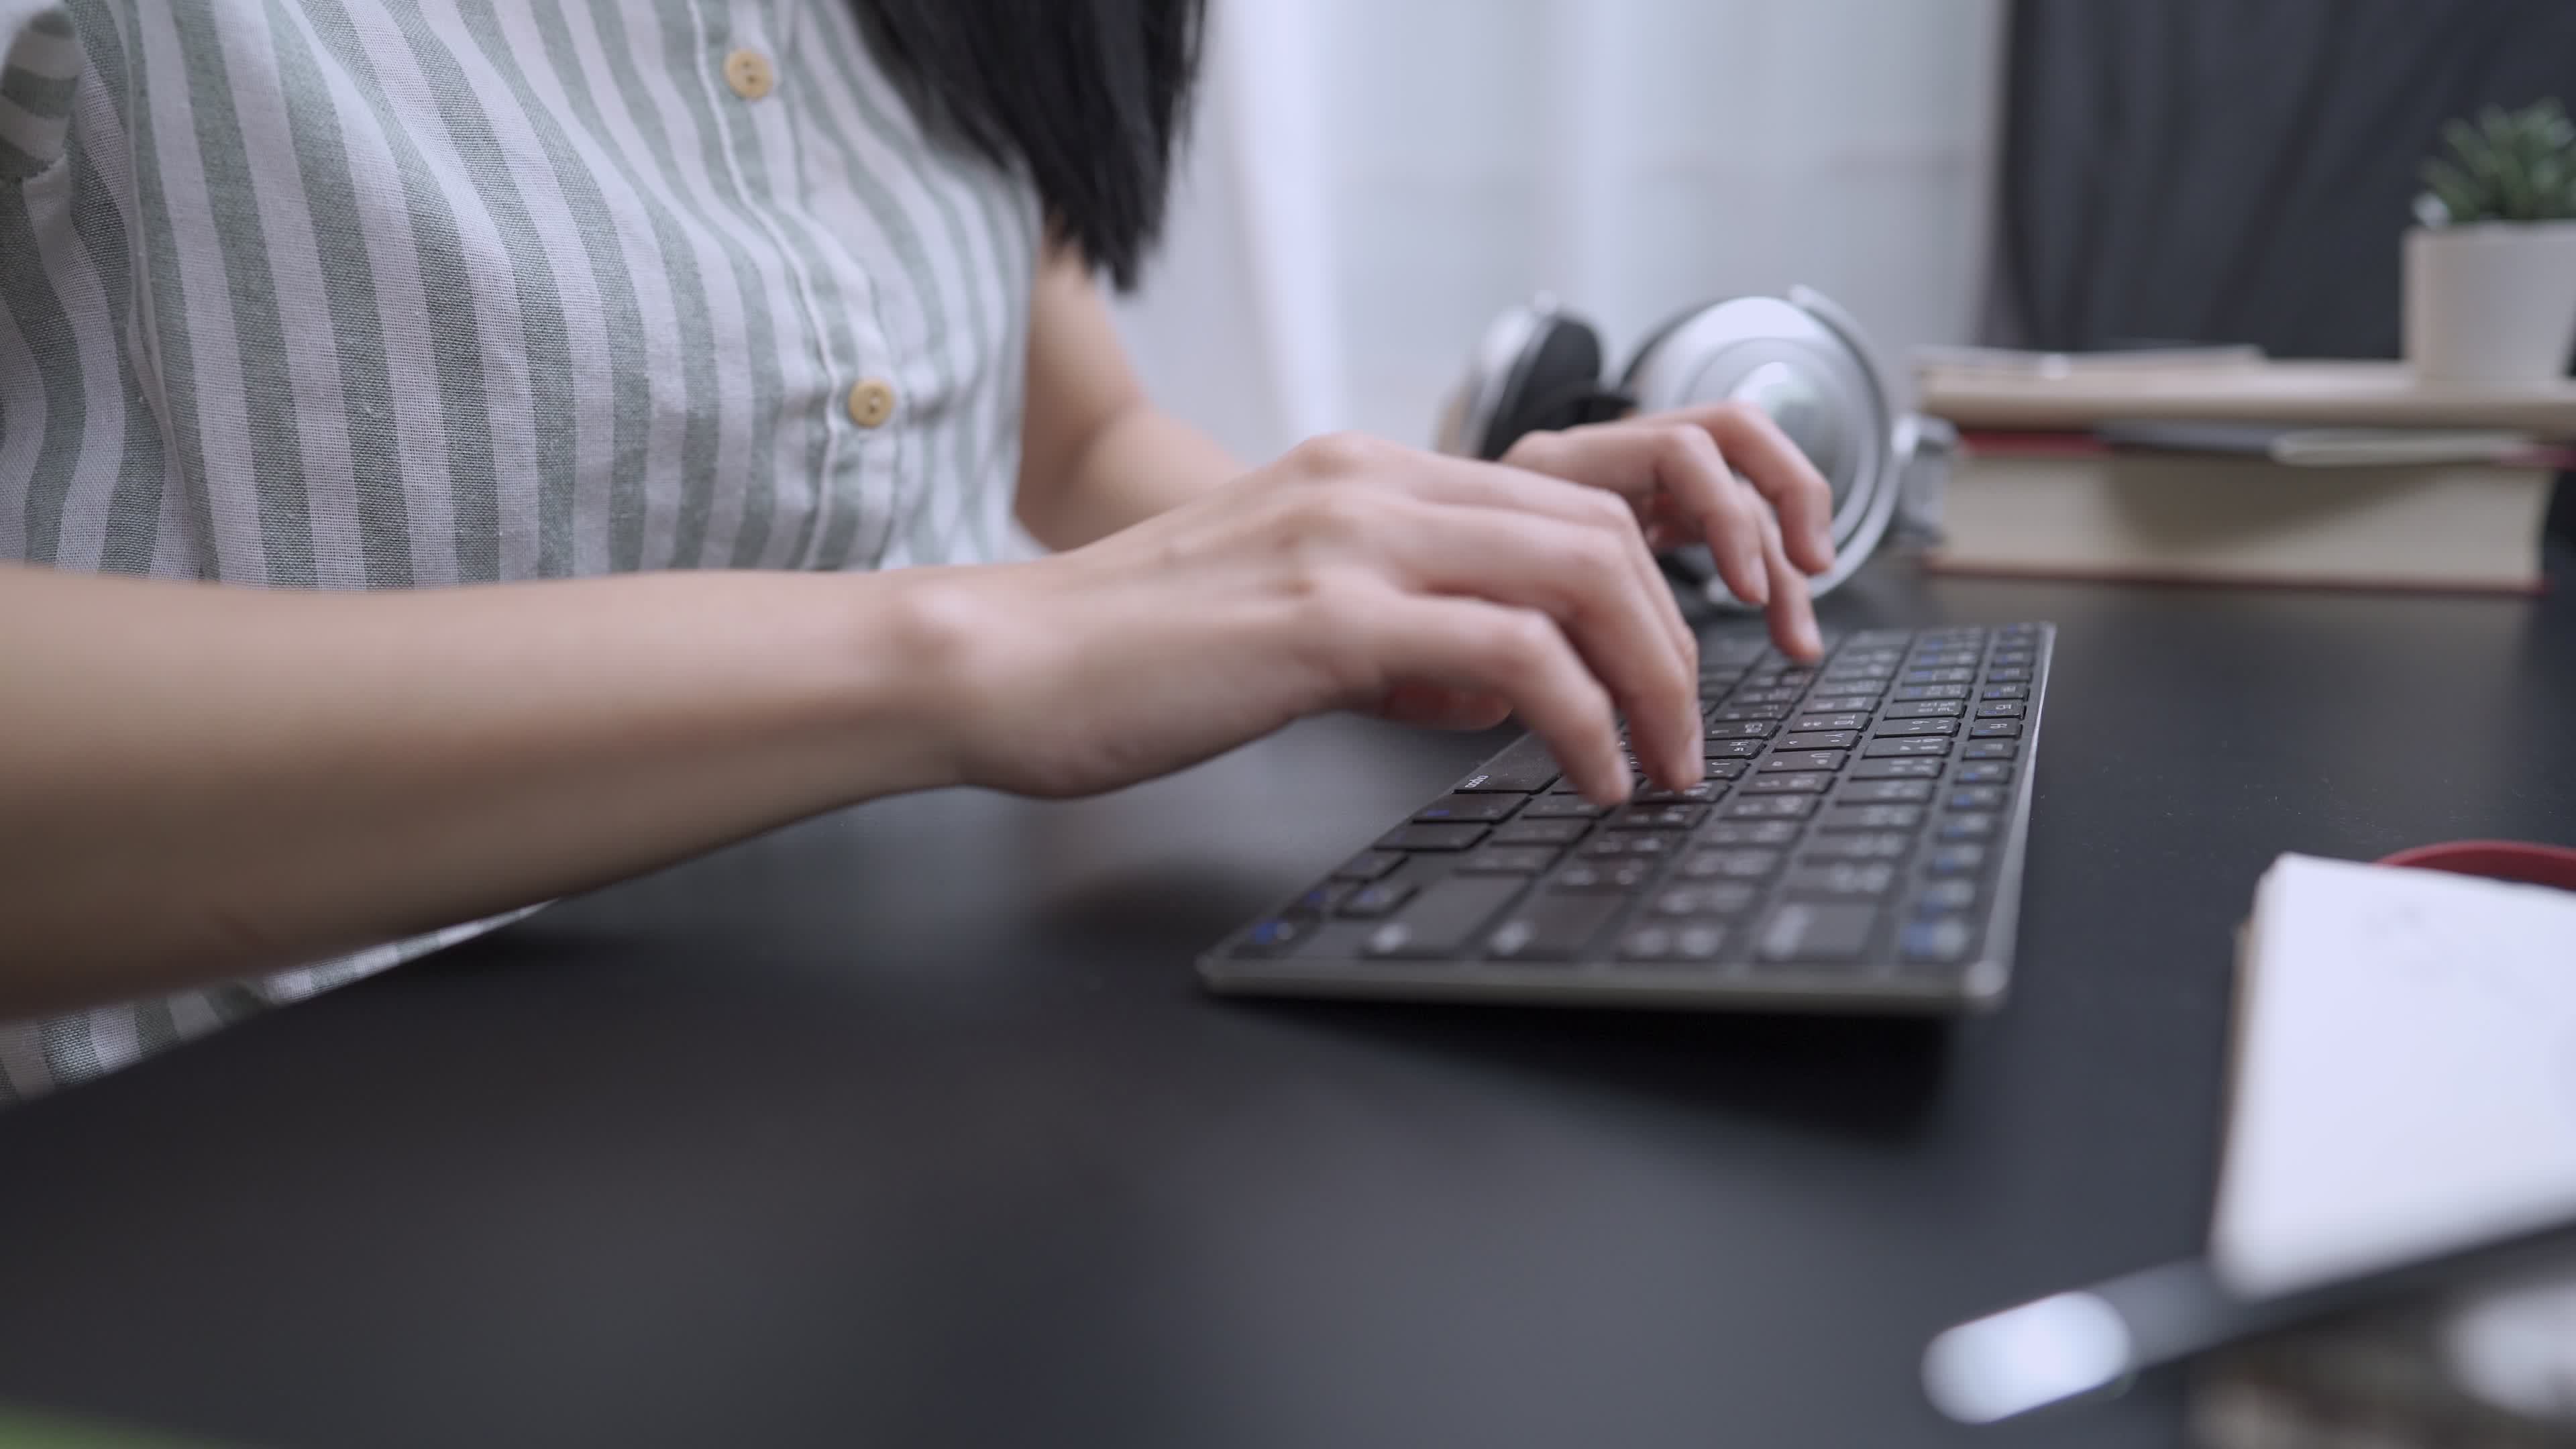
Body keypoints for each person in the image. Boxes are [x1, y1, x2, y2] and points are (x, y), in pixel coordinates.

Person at [0, 0, 1834, 1102]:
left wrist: (1374, 565)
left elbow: (1074, 434)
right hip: (242, 1183)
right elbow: (1005, 616)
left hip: (907, 1062)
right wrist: (968, 657)